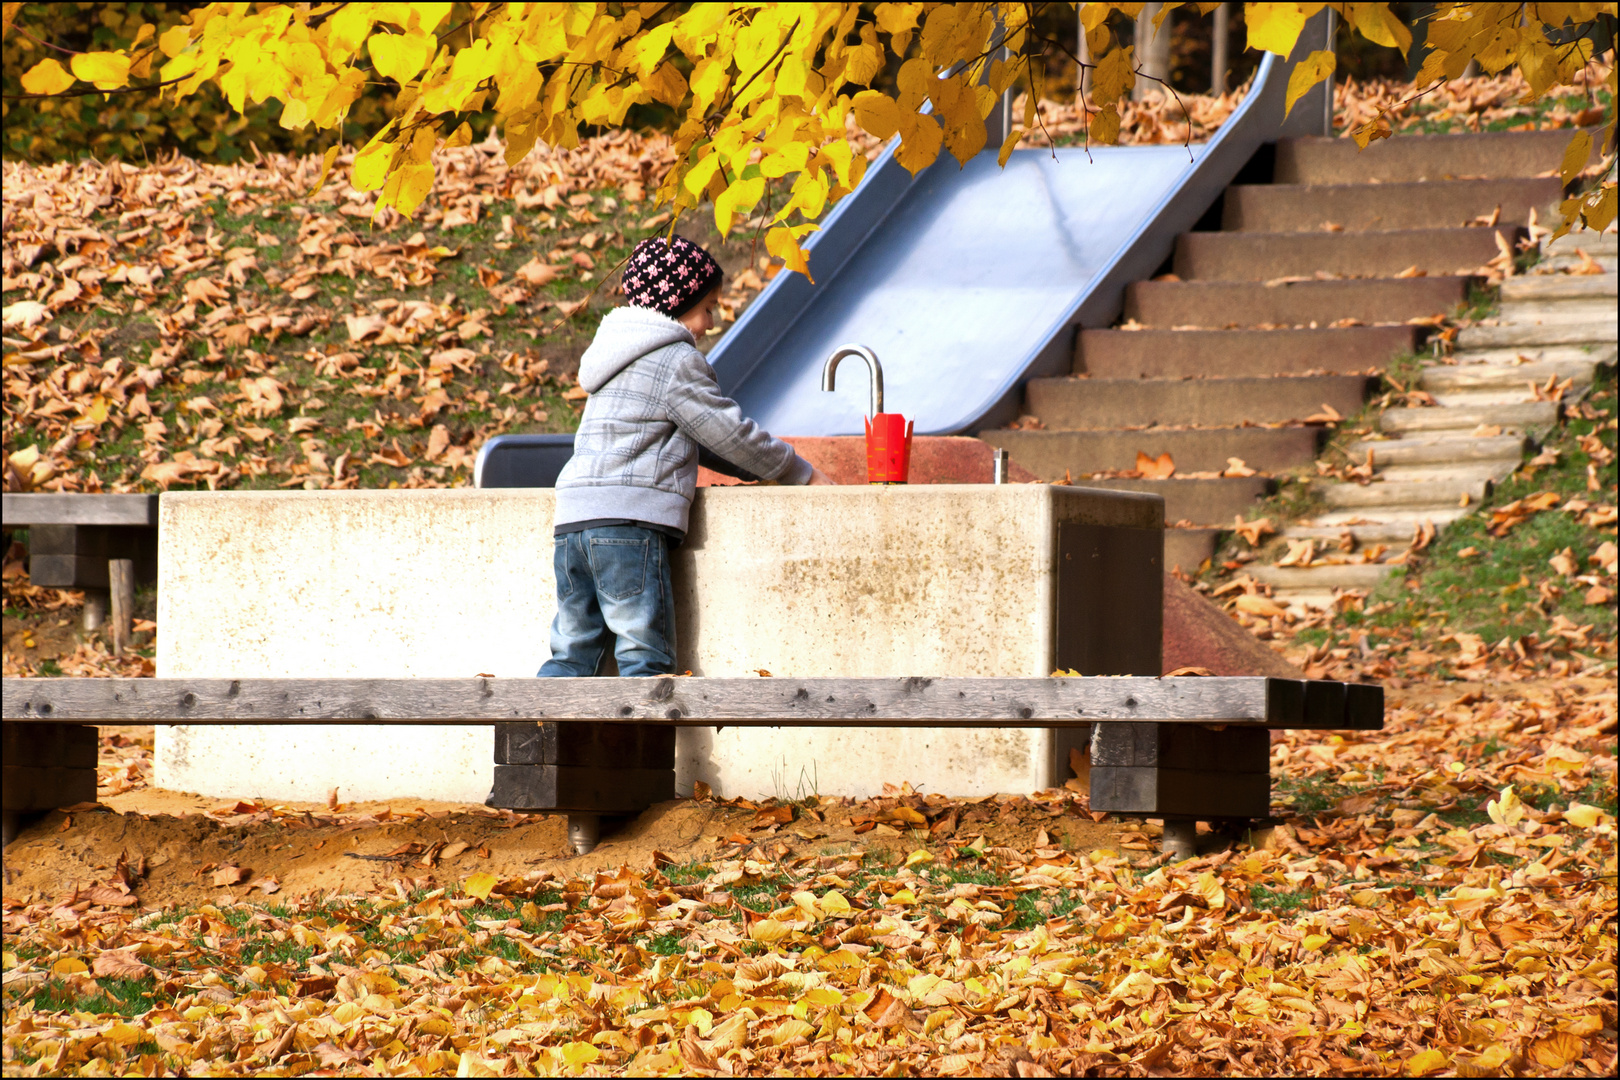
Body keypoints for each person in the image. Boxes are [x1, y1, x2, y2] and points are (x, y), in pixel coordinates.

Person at [539, 234, 833, 678]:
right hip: (627, 526)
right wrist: (799, 472)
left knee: (574, 654)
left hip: (573, 524)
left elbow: (704, 440)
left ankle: (539, 737)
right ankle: (643, 750)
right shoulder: (675, 359)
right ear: (678, 301)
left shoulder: (615, 356)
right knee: (644, 657)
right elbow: (728, 432)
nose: (711, 323)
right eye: (708, 307)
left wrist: (755, 474)